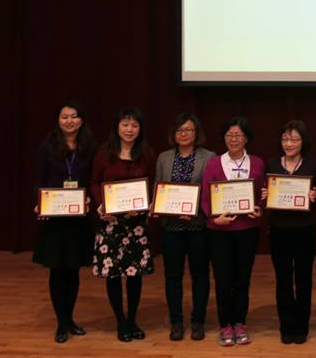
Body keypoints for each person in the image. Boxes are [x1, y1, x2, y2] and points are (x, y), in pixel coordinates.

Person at [33, 101, 96, 343]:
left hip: (78, 219)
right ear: (58, 121)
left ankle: (69, 319)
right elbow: (39, 180)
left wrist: (91, 199)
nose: (69, 121)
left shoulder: (90, 147)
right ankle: (61, 323)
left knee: (72, 270)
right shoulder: (47, 147)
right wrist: (40, 203)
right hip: (55, 218)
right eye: (64, 116)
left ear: (81, 120)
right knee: (57, 270)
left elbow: (94, 180)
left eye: (74, 116)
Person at [90, 106, 155, 342]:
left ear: (140, 129)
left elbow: (152, 184)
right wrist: (101, 205)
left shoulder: (146, 154)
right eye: (125, 124)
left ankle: (133, 319)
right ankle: (120, 320)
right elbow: (94, 182)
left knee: (135, 275)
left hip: (135, 224)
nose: (129, 129)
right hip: (110, 223)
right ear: (117, 127)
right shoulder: (104, 153)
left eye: (134, 125)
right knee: (114, 275)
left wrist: (145, 205)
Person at [200, 116, 264, 347]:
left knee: (242, 279)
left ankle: (240, 322)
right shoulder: (214, 164)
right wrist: (214, 218)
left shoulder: (257, 163)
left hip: (247, 230)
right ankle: (225, 324)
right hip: (219, 231)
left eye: (238, 135)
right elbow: (205, 198)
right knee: (223, 279)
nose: (233, 139)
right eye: (229, 135)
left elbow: (263, 193)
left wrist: (260, 208)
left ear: (246, 138)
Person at [154, 112, 215, 342]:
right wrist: (159, 207)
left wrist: (195, 210)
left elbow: (211, 191)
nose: (184, 134)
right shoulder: (163, 158)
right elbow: (159, 188)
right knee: (173, 276)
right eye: (180, 130)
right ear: (173, 133)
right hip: (171, 228)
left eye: (188, 129)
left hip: (198, 227)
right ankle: (176, 322)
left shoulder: (209, 157)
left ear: (196, 133)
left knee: (200, 276)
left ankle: (198, 321)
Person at [265, 120, 316, 344]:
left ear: (303, 141)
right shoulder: (272, 164)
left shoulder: (313, 165)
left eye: (294, 139)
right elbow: (266, 193)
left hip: (305, 230)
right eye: (285, 139)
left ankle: (301, 326)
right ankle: (286, 326)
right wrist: (264, 194)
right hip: (279, 230)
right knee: (283, 279)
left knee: (304, 278)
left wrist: (314, 196)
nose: (289, 143)